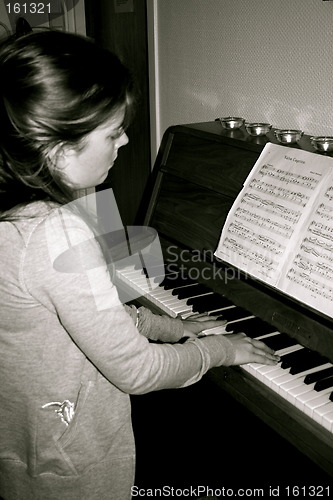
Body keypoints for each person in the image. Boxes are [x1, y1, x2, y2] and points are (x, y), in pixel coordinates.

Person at [0, 30, 279, 500]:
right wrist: (221, 351)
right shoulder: (55, 233)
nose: (126, 140)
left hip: (27, 445)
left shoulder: (16, 219)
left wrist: (170, 326)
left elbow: (80, 317)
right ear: (57, 148)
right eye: (112, 132)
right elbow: (137, 372)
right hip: (73, 467)